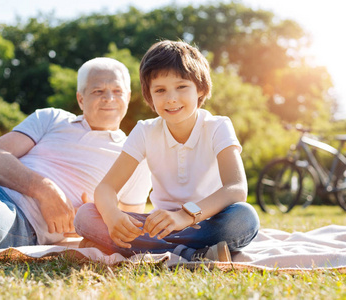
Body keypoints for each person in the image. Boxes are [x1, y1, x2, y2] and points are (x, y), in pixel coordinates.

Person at [74, 40, 259, 262]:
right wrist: (113, 217)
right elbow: (105, 188)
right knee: (86, 215)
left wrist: (184, 216)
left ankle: (140, 249)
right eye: (160, 90)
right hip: (158, 227)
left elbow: (236, 188)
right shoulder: (145, 130)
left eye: (181, 87)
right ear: (149, 96)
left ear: (200, 88)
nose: (171, 98)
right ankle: (192, 255)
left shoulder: (217, 126)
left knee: (244, 217)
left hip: (206, 222)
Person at [0, 57, 151, 252]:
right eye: (98, 91)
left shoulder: (134, 156)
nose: (109, 98)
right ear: (81, 98)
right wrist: (44, 189)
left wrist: (92, 216)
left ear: (128, 97)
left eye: (117, 90)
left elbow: (129, 228)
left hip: (19, 222)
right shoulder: (51, 118)